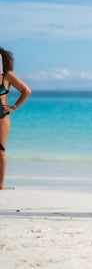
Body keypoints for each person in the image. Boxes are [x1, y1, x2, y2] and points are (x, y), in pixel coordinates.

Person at [0, 47, 32, 190]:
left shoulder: (7, 76)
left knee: (0, 151)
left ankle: (0, 184)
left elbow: (26, 90)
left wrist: (14, 107)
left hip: (2, 118)